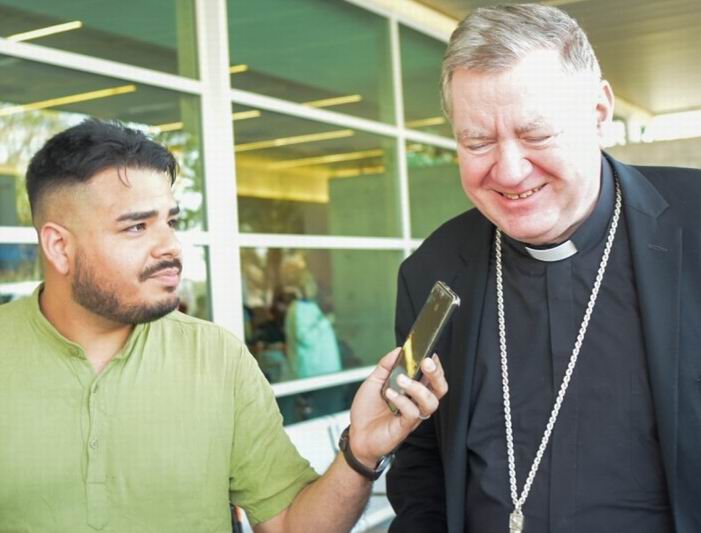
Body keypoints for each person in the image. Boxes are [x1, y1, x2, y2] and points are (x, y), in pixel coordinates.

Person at [386, 4, 701, 533]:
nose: (509, 171)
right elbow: (420, 468)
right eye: (477, 142)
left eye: (536, 134)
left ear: (599, 111)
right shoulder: (432, 271)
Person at [0, 119, 448, 532]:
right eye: (136, 227)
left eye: (170, 221)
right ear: (59, 247)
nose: (170, 246)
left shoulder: (217, 358)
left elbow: (291, 524)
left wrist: (360, 453)